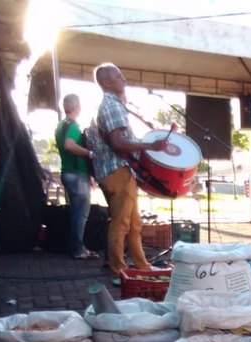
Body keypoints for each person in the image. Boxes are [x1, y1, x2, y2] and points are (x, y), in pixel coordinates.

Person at [91, 63, 172, 281]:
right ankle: (118, 269)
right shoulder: (111, 106)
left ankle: (141, 265)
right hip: (117, 171)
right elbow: (118, 142)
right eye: (118, 77)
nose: (123, 79)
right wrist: (150, 147)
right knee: (122, 222)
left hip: (119, 171)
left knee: (134, 223)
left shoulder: (113, 105)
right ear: (106, 82)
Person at [55, 94, 97, 260]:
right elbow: (69, 145)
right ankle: (78, 248)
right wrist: (89, 153)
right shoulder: (73, 126)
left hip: (67, 171)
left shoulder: (60, 125)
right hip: (77, 173)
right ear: (76, 107)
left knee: (76, 212)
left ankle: (76, 246)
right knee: (81, 213)